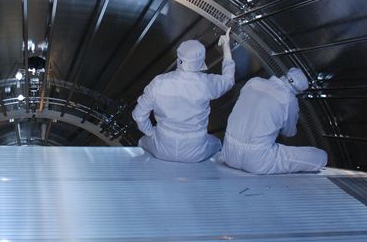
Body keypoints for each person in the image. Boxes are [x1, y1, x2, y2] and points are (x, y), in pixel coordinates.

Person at [132, 31, 235, 162]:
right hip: (196, 152)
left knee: (142, 142)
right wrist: (226, 46)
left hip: (162, 148)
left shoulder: (159, 82)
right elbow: (228, 80)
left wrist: (151, 132)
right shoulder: (207, 83)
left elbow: (139, 115)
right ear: (202, 60)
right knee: (217, 144)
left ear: (179, 59)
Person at [219, 68, 327, 174]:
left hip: (229, 153)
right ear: (298, 91)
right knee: (320, 156)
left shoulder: (253, 81)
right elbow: (289, 132)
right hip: (257, 160)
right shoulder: (289, 100)